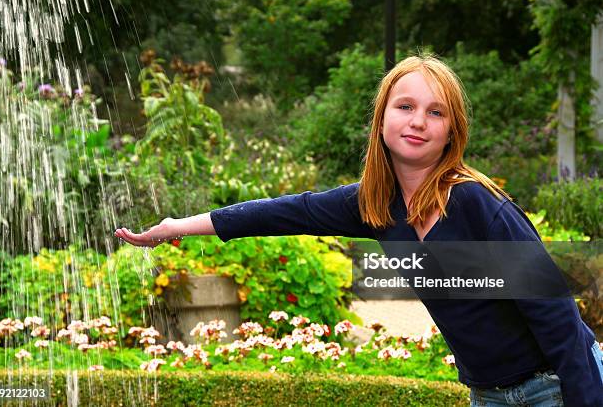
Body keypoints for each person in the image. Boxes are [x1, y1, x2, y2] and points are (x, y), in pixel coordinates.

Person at [114, 55, 603, 406]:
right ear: (382, 118)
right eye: (405, 106)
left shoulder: (477, 204)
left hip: (555, 387)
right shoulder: (374, 204)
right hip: (489, 394)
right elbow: (281, 212)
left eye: (436, 112)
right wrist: (178, 227)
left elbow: (558, 321)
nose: (418, 121)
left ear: (453, 130)